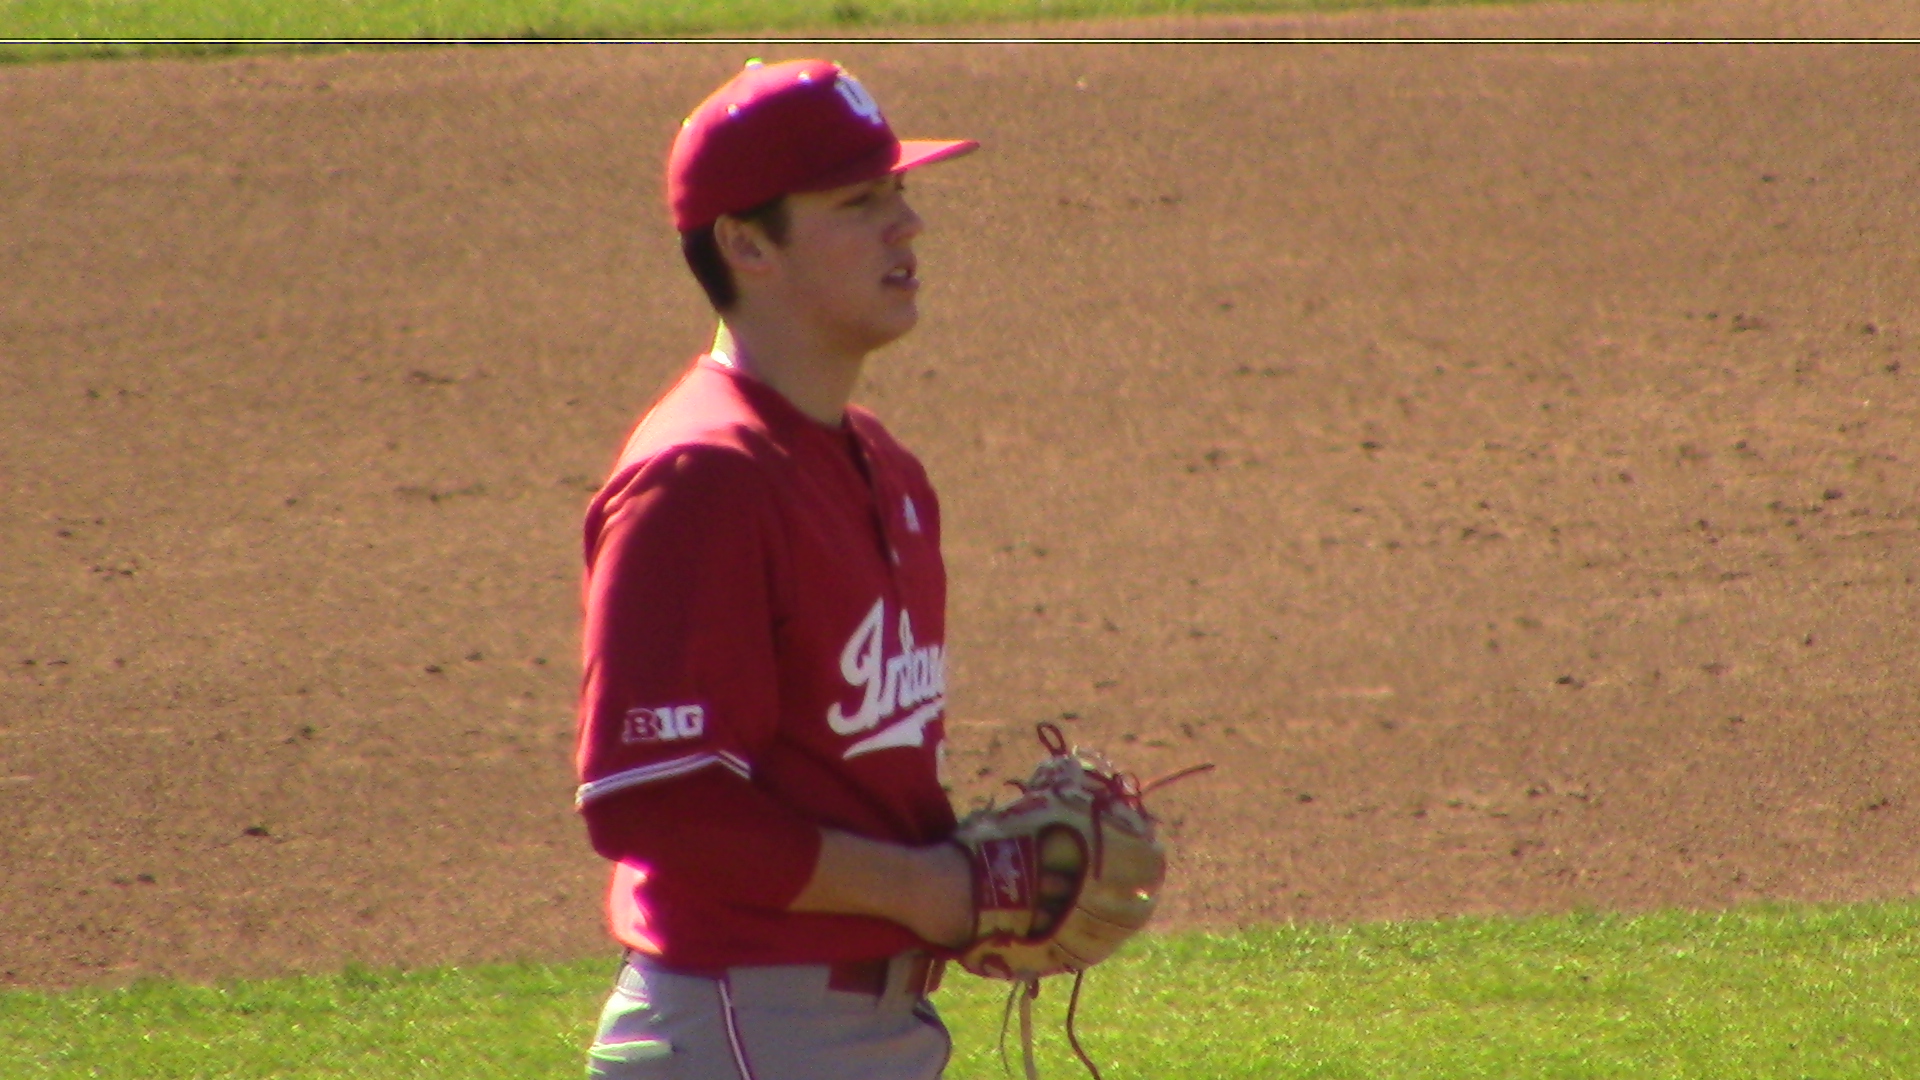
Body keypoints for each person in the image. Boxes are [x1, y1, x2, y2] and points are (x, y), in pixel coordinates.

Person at [573, 58, 981, 1080]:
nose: (907, 225)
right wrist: (925, 889)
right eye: (859, 200)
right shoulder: (701, 477)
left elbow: (839, 766)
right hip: (748, 1027)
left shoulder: (881, 464)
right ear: (747, 242)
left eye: (899, 190)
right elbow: (653, 800)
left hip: (847, 1022)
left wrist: (970, 867)